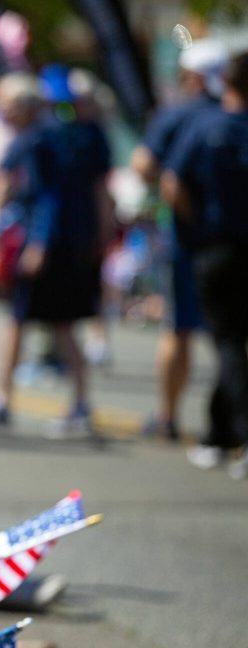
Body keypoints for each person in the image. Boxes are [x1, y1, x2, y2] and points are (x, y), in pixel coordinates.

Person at [0, 69, 113, 437]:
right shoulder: (80, 133)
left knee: (27, 319)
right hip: (74, 240)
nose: (2, 114)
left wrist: (36, 243)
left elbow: (44, 195)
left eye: (6, 106)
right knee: (58, 323)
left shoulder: (36, 139)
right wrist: (100, 237)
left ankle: (3, 398)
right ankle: (77, 402)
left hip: (44, 243)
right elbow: (100, 192)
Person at [131, 40, 228, 442]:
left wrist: (180, 200)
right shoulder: (233, 113)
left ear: (191, 76)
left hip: (187, 240)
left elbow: (144, 165)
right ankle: (228, 422)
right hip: (233, 239)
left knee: (179, 329)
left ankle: (168, 416)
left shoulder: (178, 115)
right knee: (231, 337)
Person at [162, 51, 248, 479]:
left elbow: (171, 182)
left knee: (230, 343)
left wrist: (195, 223)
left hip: (216, 248)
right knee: (232, 342)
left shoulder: (206, 125)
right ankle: (219, 434)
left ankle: (234, 433)